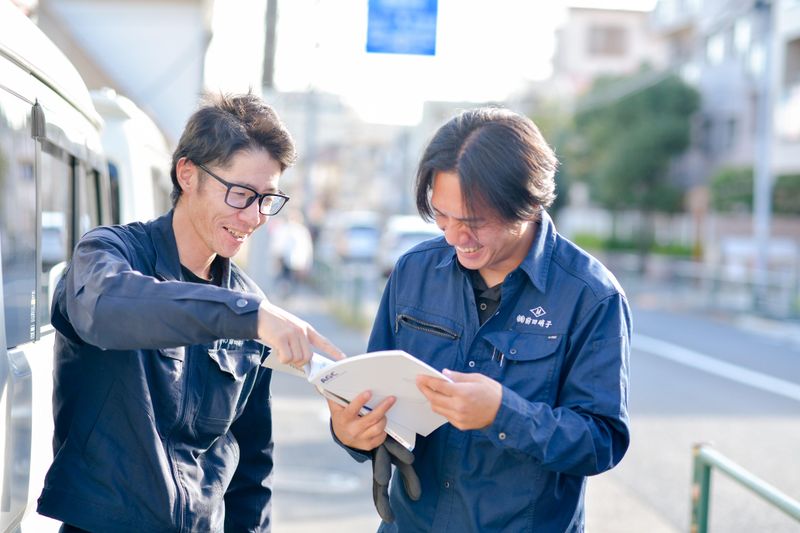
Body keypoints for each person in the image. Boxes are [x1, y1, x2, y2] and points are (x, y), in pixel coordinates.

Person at [37, 92, 344, 532]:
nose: (254, 216)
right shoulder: (110, 253)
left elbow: (252, 464)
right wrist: (247, 315)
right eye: (241, 194)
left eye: (267, 199)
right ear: (187, 174)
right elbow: (105, 307)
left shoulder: (248, 300)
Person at [329, 107, 631, 532]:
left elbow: (601, 442)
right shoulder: (414, 272)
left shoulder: (591, 296)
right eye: (442, 216)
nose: (454, 237)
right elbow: (371, 391)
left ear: (526, 204)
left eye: (473, 223)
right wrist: (350, 431)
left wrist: (503, 414)